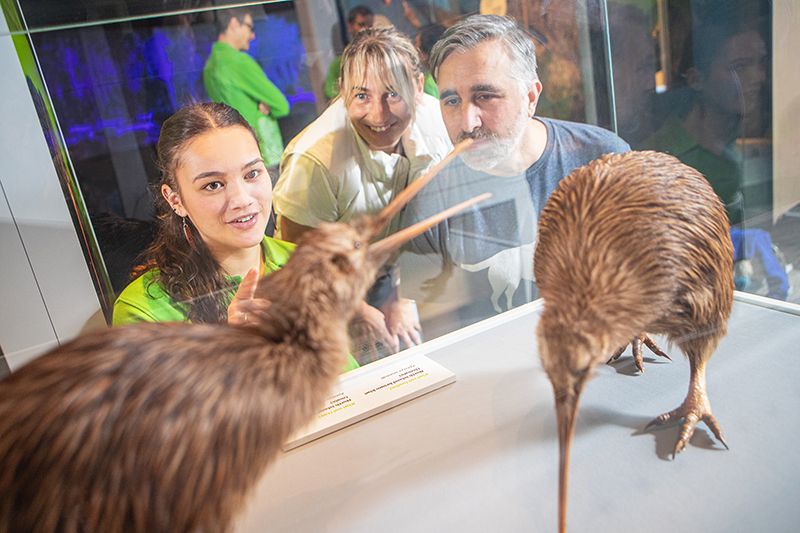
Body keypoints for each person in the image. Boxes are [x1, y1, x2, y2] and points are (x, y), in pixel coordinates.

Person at [397, 15, 631, 332]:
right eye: (451, 100)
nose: (468, 122)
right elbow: (440, 333)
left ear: (530, 97)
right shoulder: (429, 200)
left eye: (485, 96)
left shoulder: (604, 158)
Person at [112, 102, 360, 372]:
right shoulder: (144, 311)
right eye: (213, 185)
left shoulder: (308, 265)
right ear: (175, 200)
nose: (242, 200)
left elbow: (349, 381)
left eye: (252, 173)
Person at [272, 26, 453, 358]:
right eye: (361, 96)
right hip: (325, 282)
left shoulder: (440, 124)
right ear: (342, 90)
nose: (378, 115)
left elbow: (430, 220)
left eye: (393, 94)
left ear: (418, 87)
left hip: (397, 265)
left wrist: (403, 297)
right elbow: (297, 256)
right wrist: (357, 310)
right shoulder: (313, 160)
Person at [640, 23, 768, 226]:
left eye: (760, 64)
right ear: (696, 79)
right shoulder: (657, 158)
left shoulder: (734, 140)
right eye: (739, 67)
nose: (759, 77)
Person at [203, 7, 290, 170]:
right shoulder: (238, 61)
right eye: (250, 27)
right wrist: (266, 106)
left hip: (237, 154)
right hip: (264, 154)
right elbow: (281, 106)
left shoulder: (210, 66)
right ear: (234, 23)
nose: (252, 35)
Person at [325, 5, 374, 100]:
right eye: (361, 24)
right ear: (350, 26)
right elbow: (332, 94)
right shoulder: (339, 64)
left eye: (370, 25)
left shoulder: (381, 57)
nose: (366, 29)